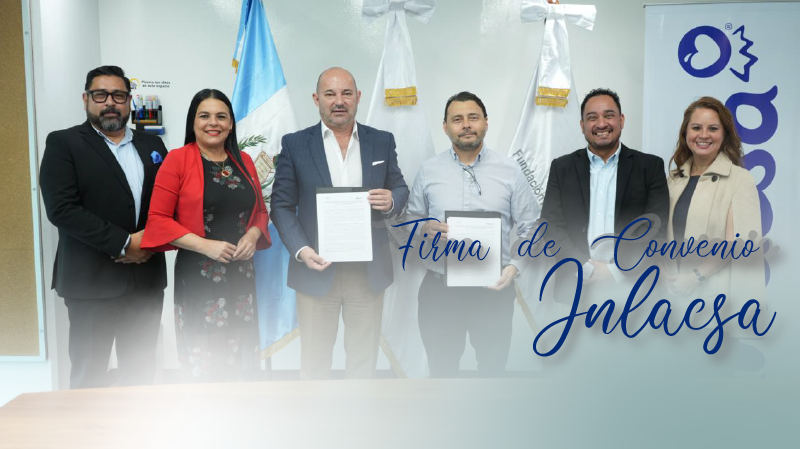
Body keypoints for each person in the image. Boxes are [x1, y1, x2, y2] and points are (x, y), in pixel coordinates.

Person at [271, 67, 409, 380]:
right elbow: (280, 205)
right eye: (330, 94)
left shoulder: (381, 141)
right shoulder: (294, 144)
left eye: (346, 93)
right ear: (316, 99)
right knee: (315, 365)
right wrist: (302, 250)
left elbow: (400, 188)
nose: (339, 101)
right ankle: (317, 415)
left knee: (363, 364)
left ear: (357, 97)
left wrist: (392, 200)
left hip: (368, 271)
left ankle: (358, 413)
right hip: (315, 267)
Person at [40, 65, 168, 389]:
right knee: (89, 379)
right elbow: (62, 209)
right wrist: (126, 243)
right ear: (86, 99)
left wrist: (148, 243)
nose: (110, 102)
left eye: (119, 95)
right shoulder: (63, 143)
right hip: (90, 284)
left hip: (145, 282)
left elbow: (167, 204)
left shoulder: (152, 145)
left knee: (140, 377)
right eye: (101, 95)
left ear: (129, 101)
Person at [405, 92, 539, 378]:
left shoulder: (510, 171)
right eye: (457, 119)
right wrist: (423, 227)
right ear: (445, 127)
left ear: (486, 123)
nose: (466, 125)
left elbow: (533, 228)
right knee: (442, 377)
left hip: (493, 292)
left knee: (492, 376)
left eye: (473, 117)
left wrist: (516, 266)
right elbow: (409, 221)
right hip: (440, 292)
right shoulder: (428, 171)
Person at [141, 89, 270, 382]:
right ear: (193, 122)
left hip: (241, 273)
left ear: (231, 124)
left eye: (221, 116)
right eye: (205, 116)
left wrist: (252, 235)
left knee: (239, 357)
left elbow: (261, 212)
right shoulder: (177, 160)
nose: (213, 122)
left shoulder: (244, 160)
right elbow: (158, 220)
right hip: (199, 273)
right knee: (205, 361)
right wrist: (205, 246)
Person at [541, 87, 669, 299]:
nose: (601, 124)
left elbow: (656, 230)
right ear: (582, 126)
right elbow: (551, 226)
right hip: (576, 285)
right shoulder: (561, 168)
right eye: (592, 118)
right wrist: (585, 268)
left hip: (633, 288)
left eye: (609, 115)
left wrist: (616, 272)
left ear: (621, 120)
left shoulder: (650, 167)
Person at [665, 96, 763, 314]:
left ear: (724, 134)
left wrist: (694, 278)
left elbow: (735, 244)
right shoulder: (673, 179)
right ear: (685, 133)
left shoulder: (740, 179)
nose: (703, 135)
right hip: (671, 297)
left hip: (713, 299)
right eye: (696, 127)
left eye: (713, 128)